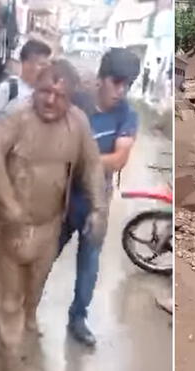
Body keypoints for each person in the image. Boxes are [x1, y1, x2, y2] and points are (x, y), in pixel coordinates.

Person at [0, 61, 107, 361]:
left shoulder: (78, 123)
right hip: (9, 224)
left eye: (60, 95)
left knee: (35, 287)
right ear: (35, 89)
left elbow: (92, 165)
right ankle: (10, 352)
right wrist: (7, 201)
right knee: (9, 296)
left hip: (49, 224)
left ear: (71, 98)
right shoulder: (15, 115)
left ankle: (30, 316)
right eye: (45, 91)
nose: (51, 100)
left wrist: (98, 207)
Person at [58, 48, 140, 347]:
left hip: (96, 202)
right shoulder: (75, 104)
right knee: (41, 258)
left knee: (89, 266)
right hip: (61, 198)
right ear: (100, 80)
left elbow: (119, 159)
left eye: (127, 84)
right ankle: (24, 312)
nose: (121, 90)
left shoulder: (128, 114)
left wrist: (80, 158)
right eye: (116, 82)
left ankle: (78, 319)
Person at [0, 39, 51, 122]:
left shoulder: (45, 95)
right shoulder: (9, 89)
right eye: (42, 64)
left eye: (47, 65)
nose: (46, 69)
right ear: (26, 64)